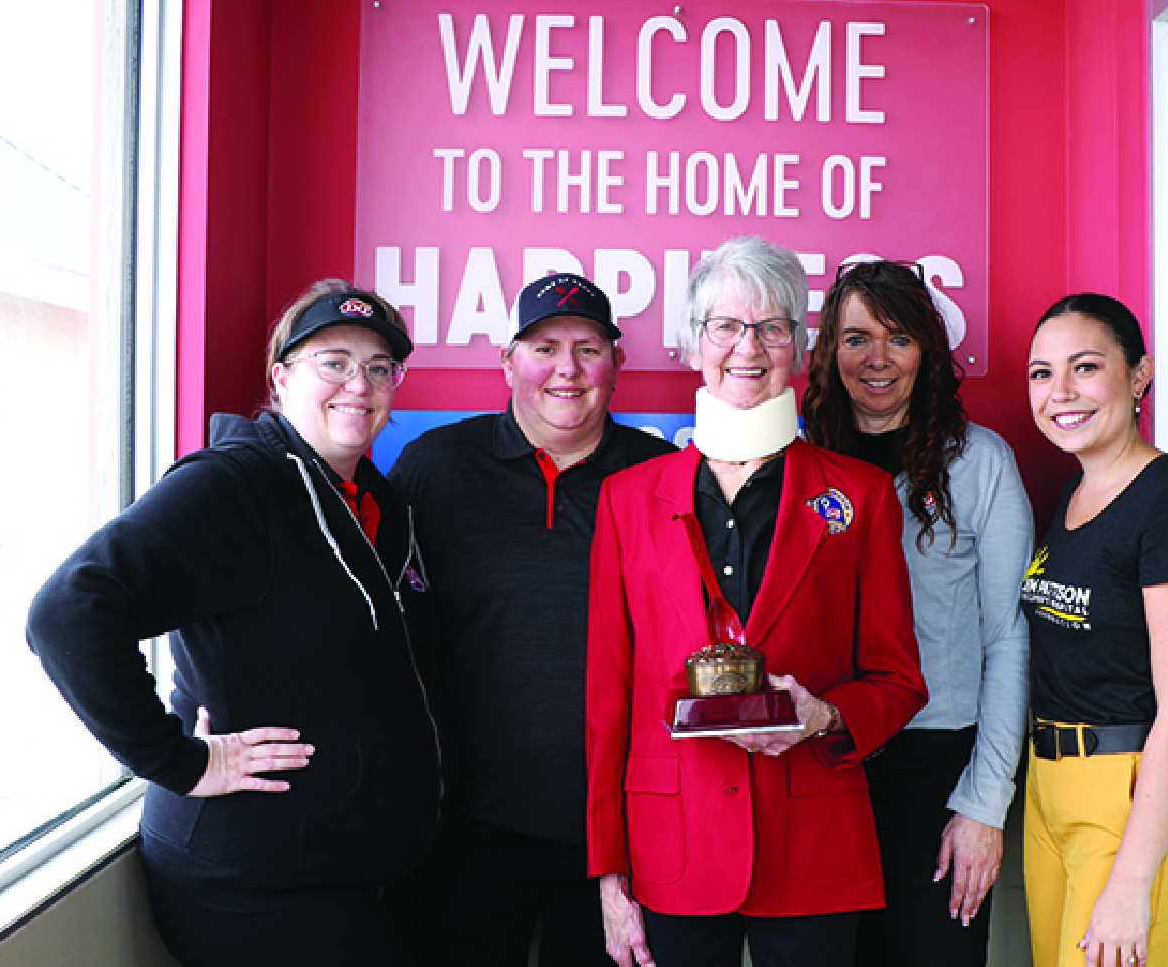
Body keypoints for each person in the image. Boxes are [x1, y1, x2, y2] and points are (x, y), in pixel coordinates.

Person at [26, 281, 441, 967]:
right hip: (255, 883)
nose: (358, 385)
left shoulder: (377, 502)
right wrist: (180, 761)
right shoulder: (233, 484)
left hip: (353, 872)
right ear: (281, 378)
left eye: (378, 367)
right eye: (334, 363)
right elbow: (68, 611)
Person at [587, 235, 930, 967]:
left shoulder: (861, 496)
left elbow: (899, 680)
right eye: (726, 326)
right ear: (692, 343)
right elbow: (608, 702)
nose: (748, 346)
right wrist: (610, 875)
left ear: (799, 348)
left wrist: (823, 715)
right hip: (670, 848)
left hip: (812, 846)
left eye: (772, 327)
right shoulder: (627, 500)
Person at [389, 273, 673, 967]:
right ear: (508, 362)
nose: (566, 369)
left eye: (587, 349)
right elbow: (370, 617)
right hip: (465, 822)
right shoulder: (436, 466)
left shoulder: (662, 474)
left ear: (616, 363)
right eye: (544, 348)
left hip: (616, 826)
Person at [802, 260, 1032, 967]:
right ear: (828, 350)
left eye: (898, 338)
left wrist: (984, 803)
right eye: (857, 338)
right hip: (823, 762)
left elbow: (1008, 637)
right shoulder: (797, 462)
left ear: (927, 351)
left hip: (938, 767)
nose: (878, 358)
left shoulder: (981, 462)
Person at [1021, 293, 1168, 967]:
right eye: (1042, 373)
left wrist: (1131, 884)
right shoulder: (1077, 493)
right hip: (1051, 789)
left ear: (1139, 375)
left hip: (1132, 798)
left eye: (1085, 367)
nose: (1060, 392)